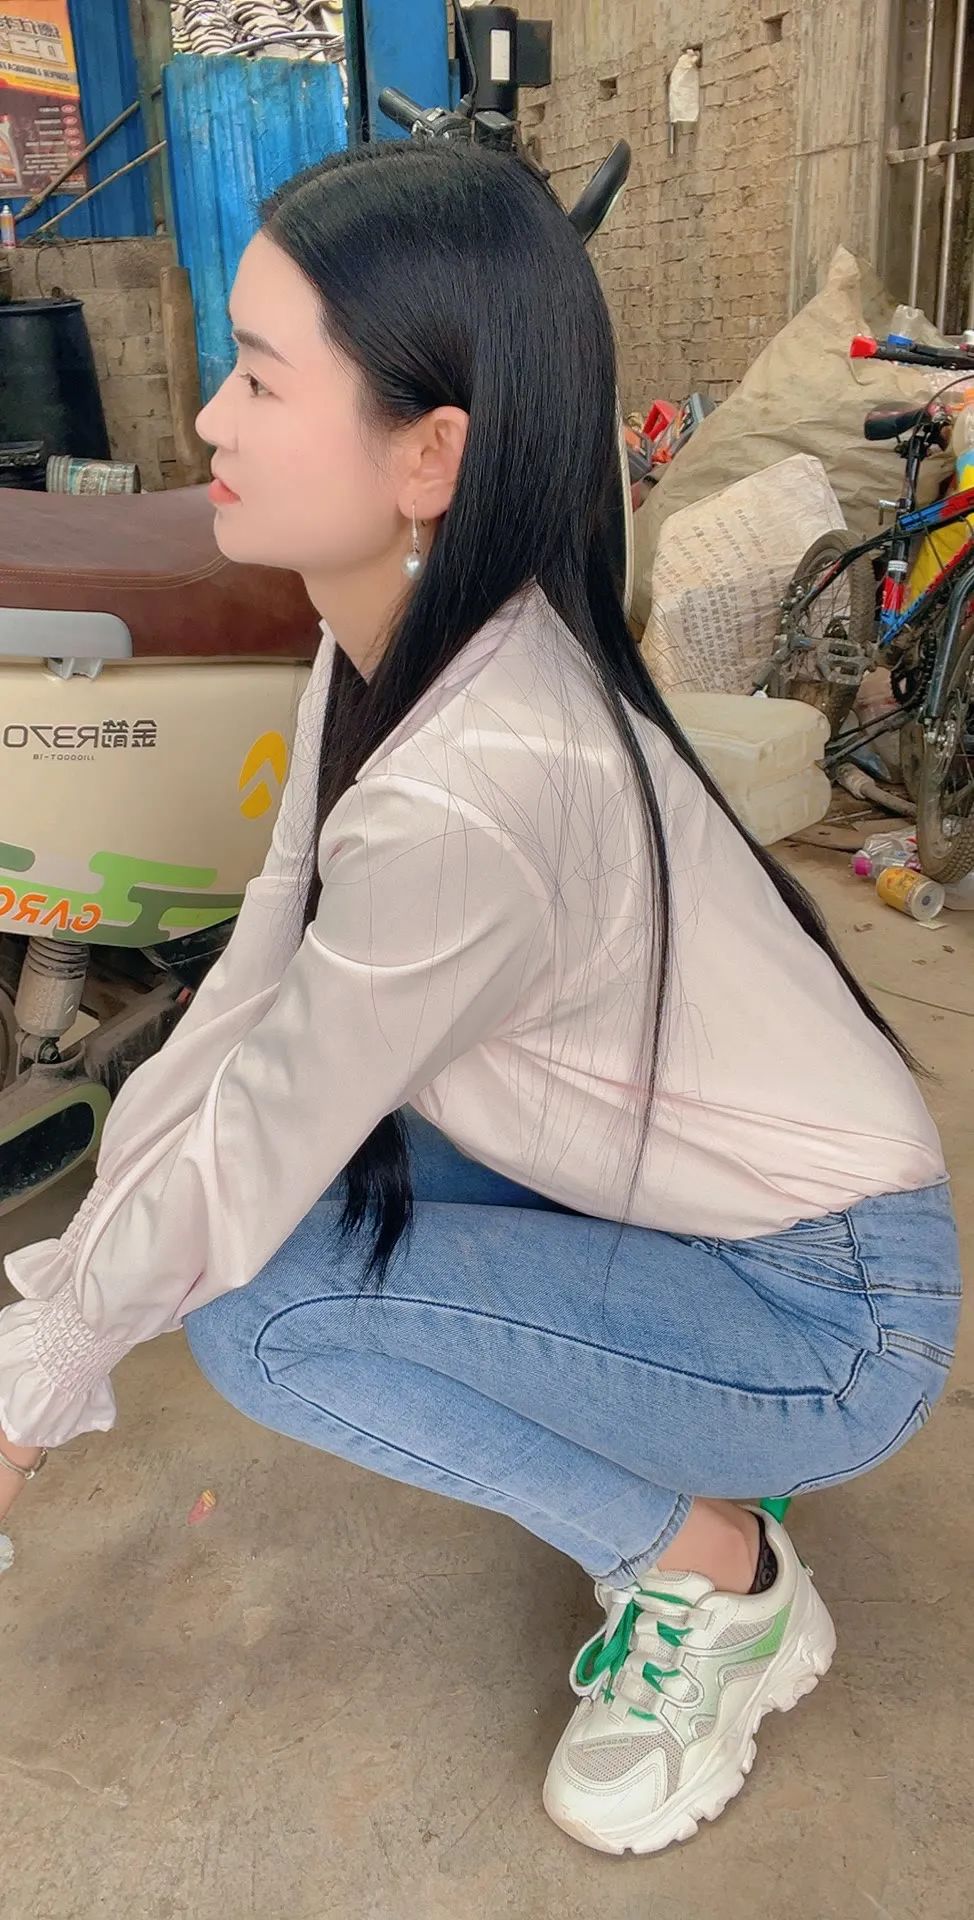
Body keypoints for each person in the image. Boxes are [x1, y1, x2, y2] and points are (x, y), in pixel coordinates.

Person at [0, 142, 960, 1860]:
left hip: (825, 1317)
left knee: (262, 1312)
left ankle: (716, 1575)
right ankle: (676, 1440)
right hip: (705, 1211)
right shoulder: (398, 631)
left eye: (259, 379)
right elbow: (254, 999)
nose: (207, 421)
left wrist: (44, 1375)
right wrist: (61, 1313)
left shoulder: (478, 778)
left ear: (428, 455)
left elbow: (255, 1135)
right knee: (277, 1188)